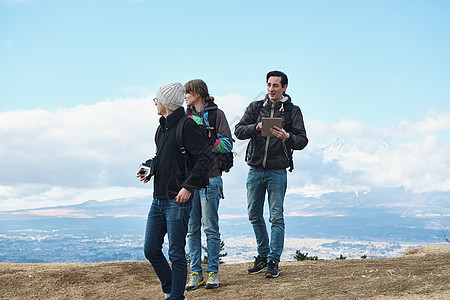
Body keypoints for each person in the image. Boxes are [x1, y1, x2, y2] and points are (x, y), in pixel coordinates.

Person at [137, 82, 213, 300]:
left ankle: (176, 296)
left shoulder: (186, 126)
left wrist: (189, 187)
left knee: (176, 253)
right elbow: (164, 158)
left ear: (166, 102)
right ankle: (172, 290)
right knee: (151, 250)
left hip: (177, 200)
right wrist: (149, 168)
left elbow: (205, 158)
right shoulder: (162, 128)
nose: (155, 103)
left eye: (156, 99)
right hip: (158, 199)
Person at [234, 71, 308, 278]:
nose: (271, 89)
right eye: (269, 85)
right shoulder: (256, 107)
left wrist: (288, 137)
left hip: (277, 171)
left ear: (284, 87)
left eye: (276, 85)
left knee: (276, 217)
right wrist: (256, 127)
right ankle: (263, 255)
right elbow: (238, 131)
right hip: (255, 169)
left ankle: (273, 260)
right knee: (254, 215)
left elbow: (302, 141)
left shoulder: (293, 111)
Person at [184, 79, 233, 290]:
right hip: (190, 181)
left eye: (188, 91)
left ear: (199, 93)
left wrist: (207, 140)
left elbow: (228, 144)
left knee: (210, 228)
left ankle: (213, 271)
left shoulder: (216, 115)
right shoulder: (184, 117)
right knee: (192, 229)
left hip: (211, 177)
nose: (185, 95)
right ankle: (195, 273)